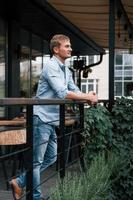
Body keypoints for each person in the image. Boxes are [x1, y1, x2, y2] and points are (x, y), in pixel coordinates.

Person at [10, 34, 98, 200]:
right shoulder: (51, 66)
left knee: (51, 157)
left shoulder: (65, 69)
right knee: (37, 161)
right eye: (67, 46)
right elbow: (62, 92)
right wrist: (87, 97)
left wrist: (88, 95)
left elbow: (74, 89)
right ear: (56, 49)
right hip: (41, 118)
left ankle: (19, 182)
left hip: (51, 119)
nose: (70, 49)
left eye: (70, 46)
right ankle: (35, 197)